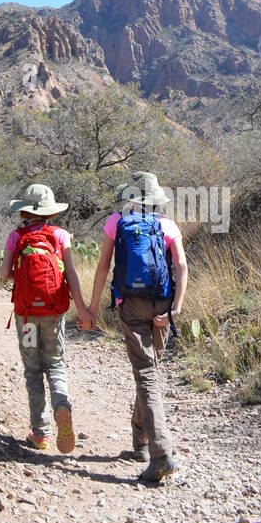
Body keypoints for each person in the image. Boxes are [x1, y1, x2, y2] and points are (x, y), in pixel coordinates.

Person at [86, 171, 188, 485]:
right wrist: (175, 309)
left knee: (146, 374)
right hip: (161, 304)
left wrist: (92, 307)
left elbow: (103, 265)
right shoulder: (167, 225)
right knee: (150, 372)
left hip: (130, 304)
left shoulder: (116, 222)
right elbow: (182, 266)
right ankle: (141, 439)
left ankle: (160, 455)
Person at [1, 183, 93, 454]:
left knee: (32, 369)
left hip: (27, 316)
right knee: (54, 364)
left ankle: (40, 433)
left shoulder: (15, 237)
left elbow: (5, 273)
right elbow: (71, 275)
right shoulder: (61, 235)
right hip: (53, 314)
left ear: (24, 211)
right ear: (50, 212)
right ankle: (62, 407)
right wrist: (83, 308)